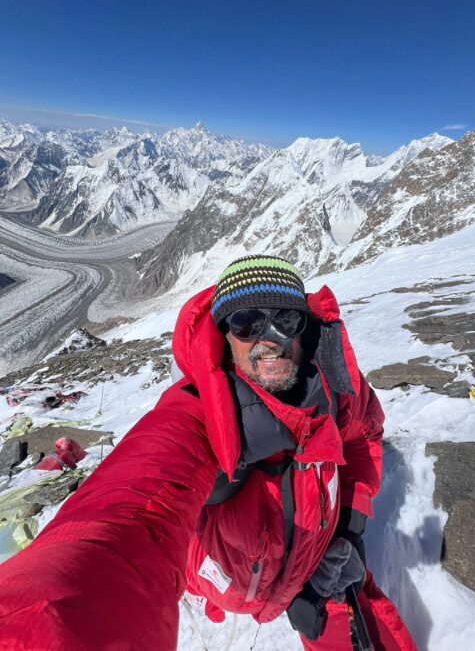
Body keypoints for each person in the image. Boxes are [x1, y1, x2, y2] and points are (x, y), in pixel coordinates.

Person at [0, 255, 416, 650]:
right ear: (223, 336)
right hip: (226, 581)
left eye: (284, 320)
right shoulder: (197, 412)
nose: (268, 340)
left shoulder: (338, 391)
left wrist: (348, 525)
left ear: (304, 330)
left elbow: (363, 435)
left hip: (316, 571)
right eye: (247, 323)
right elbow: (127, 510)